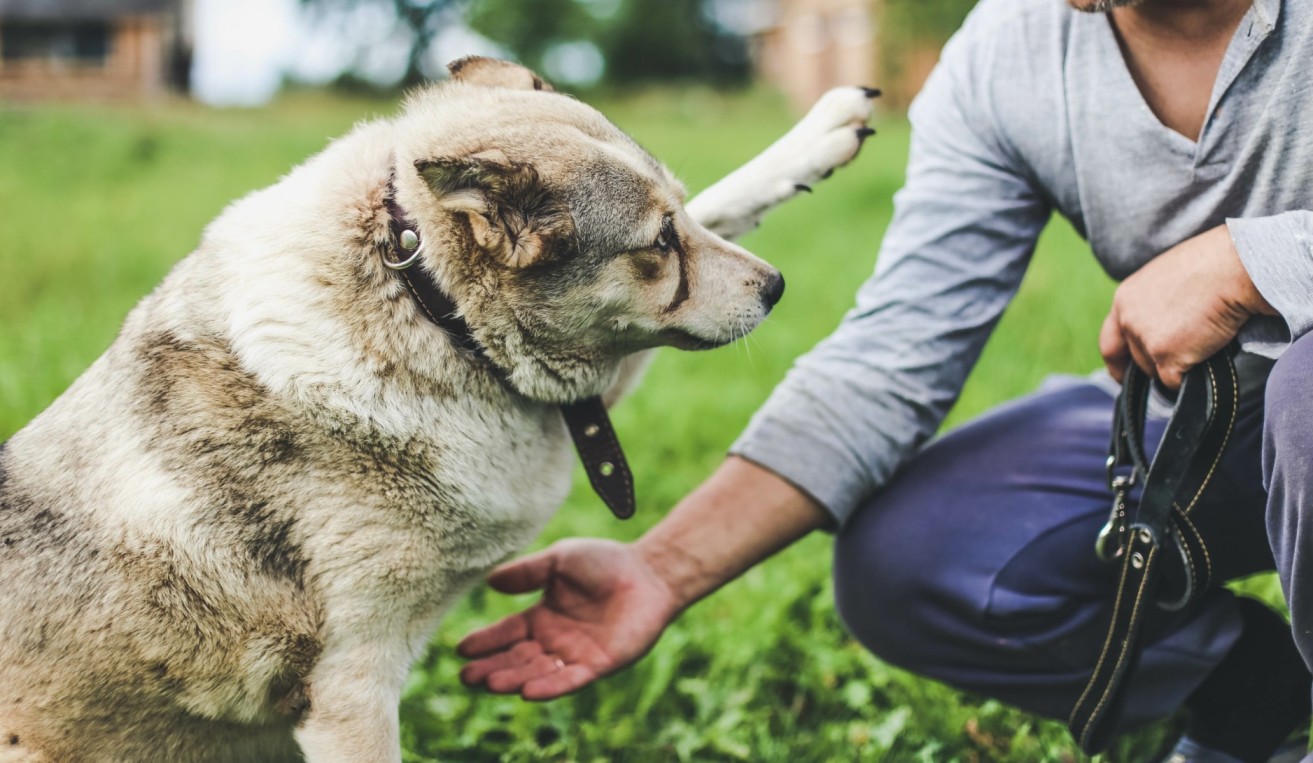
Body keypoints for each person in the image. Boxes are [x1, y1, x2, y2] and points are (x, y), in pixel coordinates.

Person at [457, 0, 1313, 759]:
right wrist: (665, 567)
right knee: (914, 553)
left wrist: (1256, 261)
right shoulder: (1006, 55)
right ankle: (1250, 681)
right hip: (1201, 433)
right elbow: (895, 351)